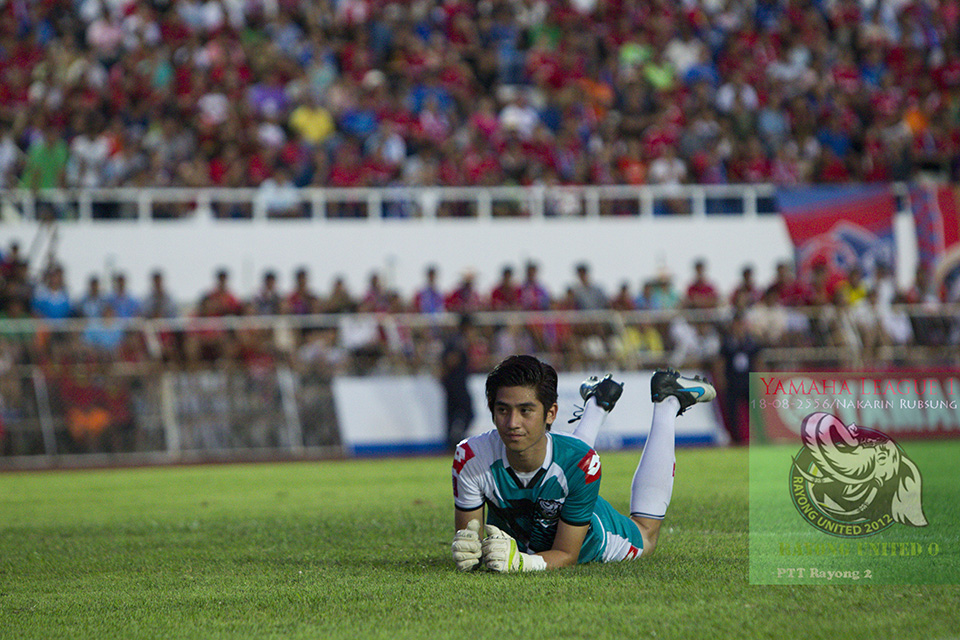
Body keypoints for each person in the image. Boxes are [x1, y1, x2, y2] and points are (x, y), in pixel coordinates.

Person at [451, 355, 715, 572]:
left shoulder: (581, 464)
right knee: (567, 461)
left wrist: (522, 562)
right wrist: (469, 551)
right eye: (503, 410)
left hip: (592, 533)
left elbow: (566, 554)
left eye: (526, 410)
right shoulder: (470, 457)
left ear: (551, 413)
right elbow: (470, 543)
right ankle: (598, 401)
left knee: (646, 537)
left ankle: (668, 399)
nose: (512, 423)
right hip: (557, 496)